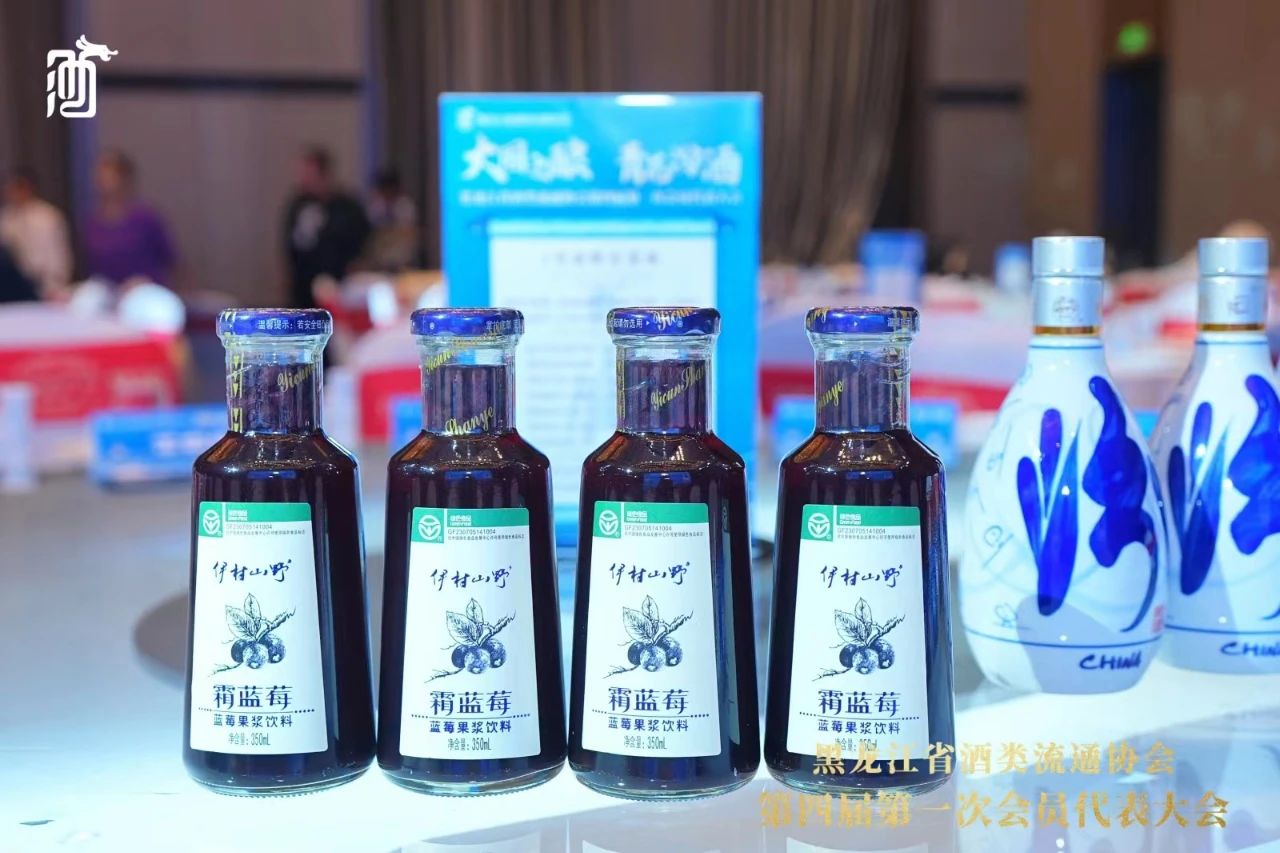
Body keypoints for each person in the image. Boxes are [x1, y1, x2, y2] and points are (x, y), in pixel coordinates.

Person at [283, 146, 371, 308]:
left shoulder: (346, 207)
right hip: (302, 286)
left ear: (323, 173)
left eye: (309, 173)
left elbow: (363, 238)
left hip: (337, 284)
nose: (304, 178)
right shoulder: (298, 204)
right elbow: (290, 241)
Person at [82, 150, 177, 287]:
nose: (102, 180)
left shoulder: (145, 217)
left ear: (124, 178)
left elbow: (170, 261)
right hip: (107, 289)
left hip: (144, 286)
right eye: (99, 174)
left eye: (110, 175)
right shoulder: (92, 222)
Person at [0, 167, 73, 297]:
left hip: (44, 287)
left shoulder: (48, 217)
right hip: (12, 288)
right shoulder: (5, 218)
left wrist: (54, 286)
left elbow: (60, 260)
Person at [364, 167, 419, 271]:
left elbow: (407, 234)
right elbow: (373, 232)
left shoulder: (405, 205)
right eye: (383, 191)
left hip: (402, 257)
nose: (387, 194)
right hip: (380, 259)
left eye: (389, 190)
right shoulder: (377, 206)